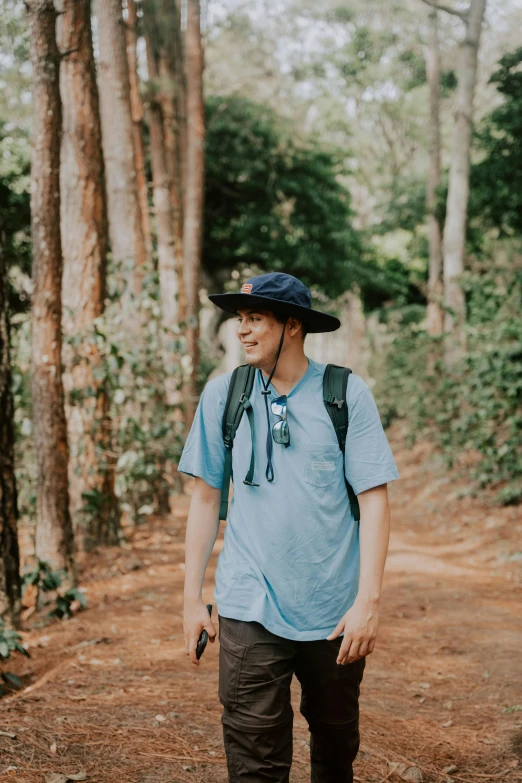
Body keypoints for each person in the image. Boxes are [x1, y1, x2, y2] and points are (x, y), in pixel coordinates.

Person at [178, 272, 399, 782]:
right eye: (240, 319)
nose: (243, 331)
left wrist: (368, 602)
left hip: (333, 609)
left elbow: (375, 501)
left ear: (293, 326)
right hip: (247, 603)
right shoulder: (223, 396)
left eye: (256, 319)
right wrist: (192, 599)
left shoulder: (345, 395)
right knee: (254, 759)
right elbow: (206, 498)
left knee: (335, 743)